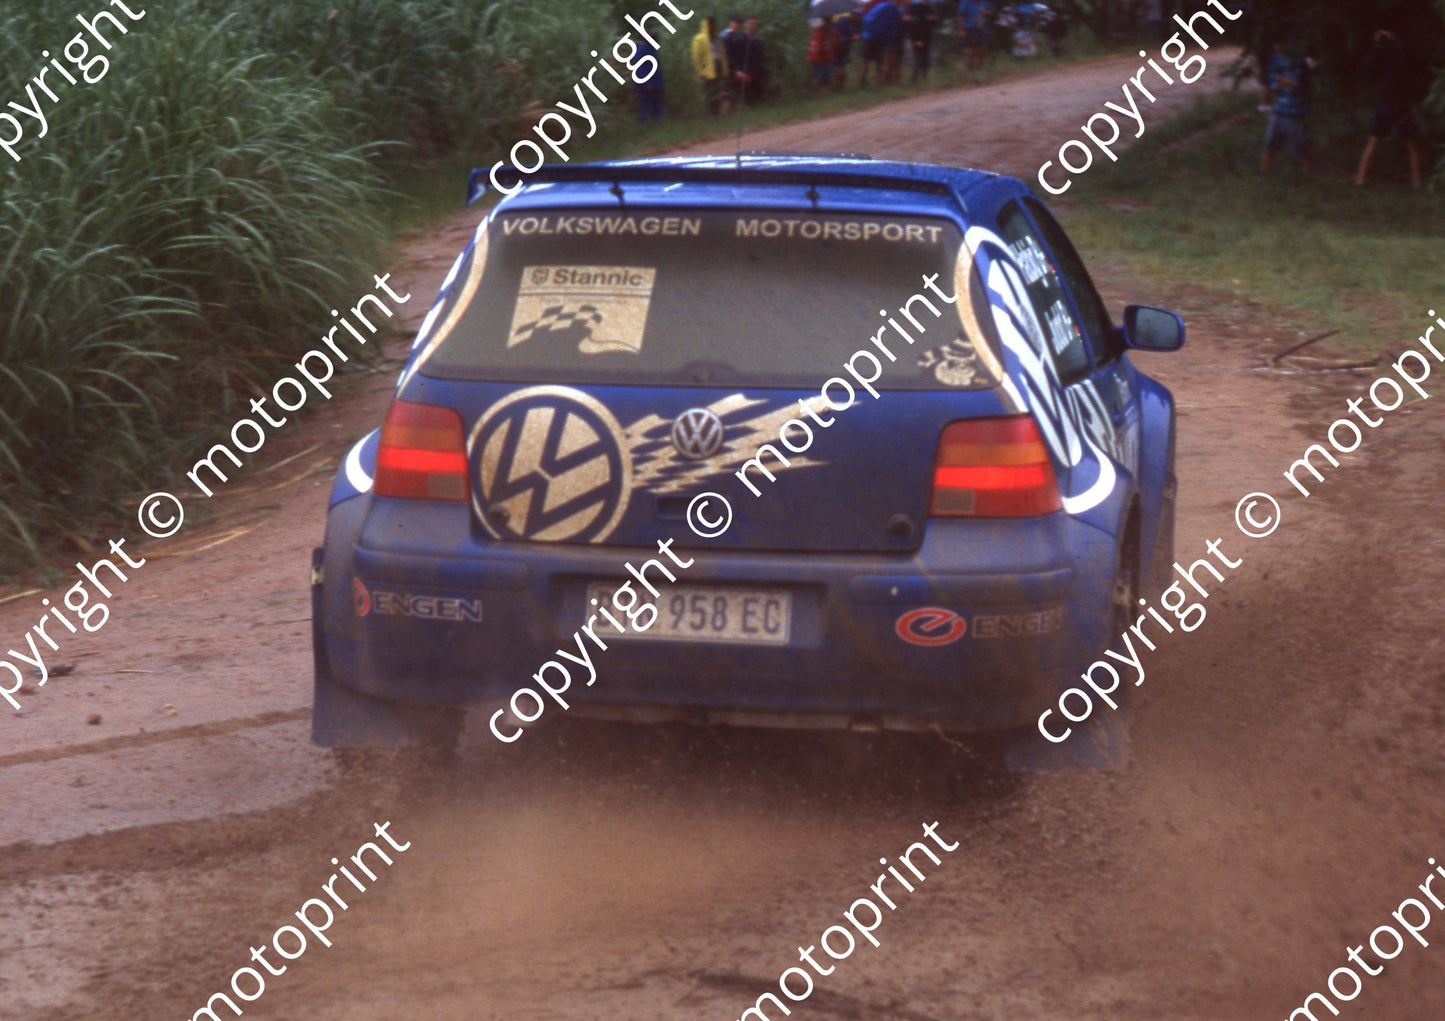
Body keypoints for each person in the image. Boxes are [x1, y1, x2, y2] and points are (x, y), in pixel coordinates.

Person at [1354, 29, 1428, 189]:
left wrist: (1393, 40)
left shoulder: (1402, 51)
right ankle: (1360, 180)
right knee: (1373, 141)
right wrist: (1377, 45)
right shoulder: (1380, 54)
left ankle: (1416, 182)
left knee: (1410, 144)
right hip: (1386, 103)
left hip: (1401, 104)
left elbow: (1414, 59)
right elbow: (1365, 66)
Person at [1261, 41, 1311, 176]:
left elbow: (1299, 82)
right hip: (1279, 109)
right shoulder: (1274, 60)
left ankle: (1308, 176)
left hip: (1296, 111)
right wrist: (1286, 81)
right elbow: (1273, 84)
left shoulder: (1299, 60)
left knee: (1301, 147)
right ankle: (1265, 174)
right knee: (1269, 144)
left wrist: (1283, 81)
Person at [691, 16, 731, 114]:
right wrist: (700, 71)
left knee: (719, 91)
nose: (712, 26)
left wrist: (725, 69)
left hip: (718, 69)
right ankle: (710, 113)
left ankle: (717, 112)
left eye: (714, 24)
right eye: (710, 24)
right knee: (709, 92)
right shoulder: (700, 39)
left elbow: (723, 54)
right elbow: (696, 56)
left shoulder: (717, 38)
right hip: (707, 71)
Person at [860, 0, 902, 87]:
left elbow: (893, 28)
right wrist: (870, 31)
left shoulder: (897, 12)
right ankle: (861, 85)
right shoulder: (883, 7)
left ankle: (879, 85)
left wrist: (888, 38)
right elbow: (869, 19)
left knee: (879, 63)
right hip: (871, 37)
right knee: (866, 63)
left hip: (881, 40)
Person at [733, 15, 767, 106]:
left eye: (755, 24)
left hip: (756, 74)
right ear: (745, 24)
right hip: (742, 74)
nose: (752, 26)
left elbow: (761, 58)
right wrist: (737, 71)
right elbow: (733, 57)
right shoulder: (739, 39)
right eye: (750, 23)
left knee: (756, 101)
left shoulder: (759, 41)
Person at [905, 1, 939, 82]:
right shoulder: (916, 7)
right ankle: (914, 79)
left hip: (926, 37)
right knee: (918, 59)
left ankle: (924, 79)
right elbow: (912, 21)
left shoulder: (930, 9)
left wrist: (933, 18)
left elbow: (934, 19)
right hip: (917, 37)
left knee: (926, 60)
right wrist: (916, 39)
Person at [806, 16, 841, 93]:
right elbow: (816, 49)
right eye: (827, 22)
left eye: (830, 22)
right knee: (824, 79)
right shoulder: (819, 33)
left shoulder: (833, 33)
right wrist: (822, 60)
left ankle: (826, 91)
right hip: (818, 59)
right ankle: (823, 92)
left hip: (827, 59)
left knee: (827, 77)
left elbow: (837, 43)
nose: (829, 24)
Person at [957, 0, 991, 76]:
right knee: (971, 51)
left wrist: (986, 13)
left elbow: (991, 11)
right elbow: (961, 16)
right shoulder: (965, 2)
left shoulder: (984, 2)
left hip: (982, 27)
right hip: (970, 28)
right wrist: (962, 29)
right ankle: (969, 72)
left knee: (981, 50)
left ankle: (979, 71)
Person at [634, 39, 665, 122]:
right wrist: (646, 83)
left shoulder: (653, 49)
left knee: (656, 103)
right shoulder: (642, 49)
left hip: (655, 83)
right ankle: (644, 122)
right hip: (645, 84)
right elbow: (639, 68)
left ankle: (656, 122)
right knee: (645, 104)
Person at [831, 12, 858, 89]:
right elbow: (838, 38)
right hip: (837, 49)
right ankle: (835, 87)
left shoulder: (852, 24)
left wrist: (847, 53)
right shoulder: (842, 22)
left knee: (841, 69)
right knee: (839, 70)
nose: (857, 18)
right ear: (852, 14)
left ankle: (839, 87)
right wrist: (850, 37)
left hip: (843, 50)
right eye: (856, 16)